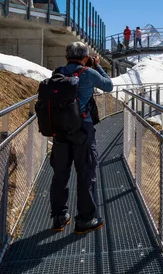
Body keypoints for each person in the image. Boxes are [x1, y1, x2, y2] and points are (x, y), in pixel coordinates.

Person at [50, 42, 113, 234]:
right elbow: (109, 85)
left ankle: (59, 217)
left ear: (67, 56)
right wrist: (97, 65)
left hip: (60, 131)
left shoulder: (57, 73)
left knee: (60, 174)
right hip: (82, 131)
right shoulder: (89, 72)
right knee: (85, 174)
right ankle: (85, 219)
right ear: (85, 58)